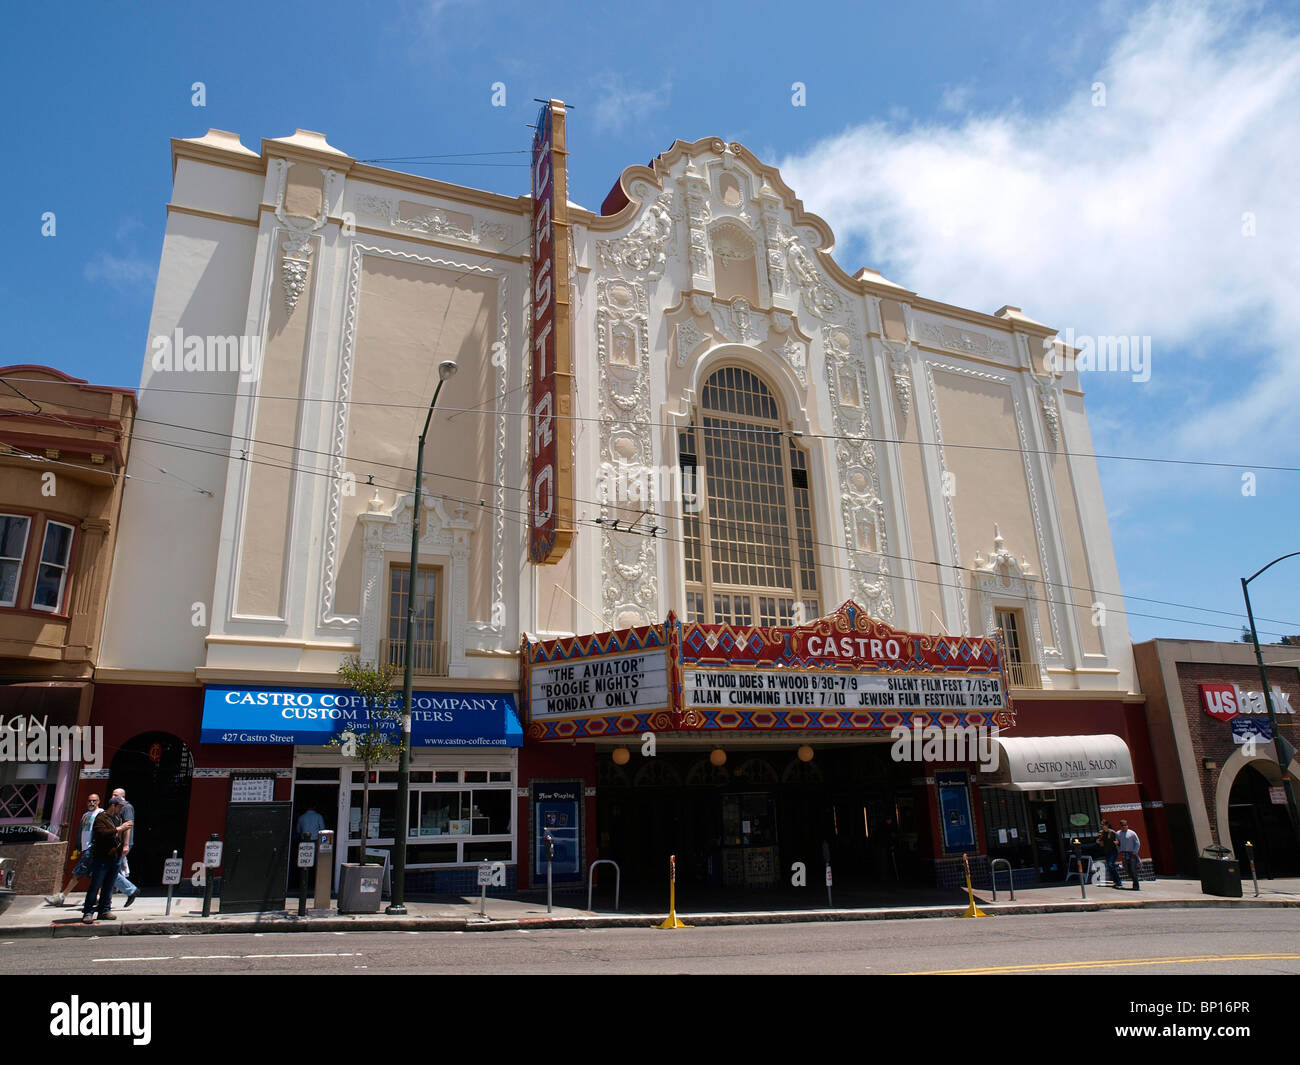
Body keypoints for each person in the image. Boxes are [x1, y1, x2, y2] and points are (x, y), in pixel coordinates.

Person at [82, 795, 133, 924]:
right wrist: (119, 829)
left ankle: (104, 910)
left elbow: (118, 835)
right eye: (120, 807)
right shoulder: (101, 818)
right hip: (102, 857)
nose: (121, 810)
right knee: (95, 885)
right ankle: (88, 911)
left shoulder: (118, 818)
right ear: (113, 806)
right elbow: (102, 834)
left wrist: (123, 840)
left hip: (114, 857)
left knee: (108, 886)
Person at [46, 793, 100, 906]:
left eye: (94, 801)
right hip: (85, 848)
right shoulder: (85, 815)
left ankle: (62, 897)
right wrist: (78, 847)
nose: (92, 803)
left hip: (92, 848)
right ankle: (98, 897)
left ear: (98, 801)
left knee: (78, 873)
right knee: (96, 874)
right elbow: (80, 832)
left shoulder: (100, 814)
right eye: (90, 801)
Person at [110, 787, 141, 907]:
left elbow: (128, 825)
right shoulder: (114, 808)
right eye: (113, 794)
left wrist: (126, 844)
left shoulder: (126, 807)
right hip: (115, 843)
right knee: (111, 870)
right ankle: (106, 898)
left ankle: (131, 890)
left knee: (110, 870)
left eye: (116, 795)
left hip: (122, 844)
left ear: (123, 796)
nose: (113, 797)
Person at [1096, 819, 1123, 889]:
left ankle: (1119, 882)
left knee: (1111, 864)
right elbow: (1101, 843)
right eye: (1101, 825)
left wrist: (1117, 843)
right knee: (1110, 866)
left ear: (1107, 825)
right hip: (1107, 851)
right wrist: (1098, 840)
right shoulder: (1101, 833)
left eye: (1103, 825)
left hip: (1113, 851)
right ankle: (1115, 881)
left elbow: (1118, 841)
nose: (1102, 826)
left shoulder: (1112, 832)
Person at [1117, 819, 1142, 891]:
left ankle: (1136, 885)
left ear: (1127, 825)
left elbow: (1137, 842)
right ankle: (1135, 879)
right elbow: (1118, 842)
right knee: (1126, 868)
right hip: (1124, 853)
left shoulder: (1132, 833)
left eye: (1125, 825)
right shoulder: (1118, 833)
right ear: (1120, 827)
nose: (1124, 827)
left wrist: (1135, 851)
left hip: (1131, 853)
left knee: (1133, 869)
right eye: (1122, 826)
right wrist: (1119, 848)